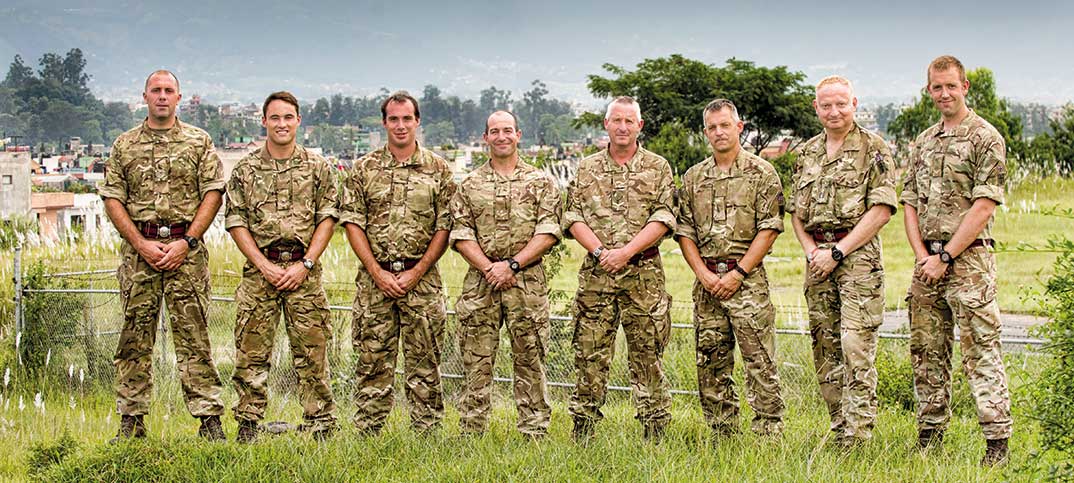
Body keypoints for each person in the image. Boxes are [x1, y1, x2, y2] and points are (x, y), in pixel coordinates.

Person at [99, 70, 226, 442]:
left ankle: (209, 420)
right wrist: (140, 243)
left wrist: (187, 241)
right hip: (141, 254)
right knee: (134, 338)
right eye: (155, 90)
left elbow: (213, 194)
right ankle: (131, 420)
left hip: (186, 252)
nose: (162, 96)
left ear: (179, 97)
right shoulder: (124, 146)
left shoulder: (198, 142)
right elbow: (112, 198)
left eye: (168, 90)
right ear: (144, 96)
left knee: (195, 336)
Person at [901, 55, 1012, 466]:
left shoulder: (986, 137)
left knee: (980, 350)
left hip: (968, 262)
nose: (944, 93)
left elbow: (983, 205)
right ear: (928, 90)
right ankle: (929, 436)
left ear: (965, 87)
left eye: (951, 85)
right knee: (927, 351)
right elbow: (909, 202)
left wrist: (946, 255)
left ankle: (996, 442)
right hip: (926, 262)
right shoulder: (924, 141)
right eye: (936, 87)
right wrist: (922, 257)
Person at [788, 76, 897, 446]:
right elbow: (796, 215)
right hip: (816, 260)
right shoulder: (806, 153)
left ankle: (859, 435)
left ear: (854, 103)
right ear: (815, 108)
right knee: (824, 345)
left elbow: (881, 209)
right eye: (826, 105)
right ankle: (839, 428)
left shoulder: (873, 148)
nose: (834, 111)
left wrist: (838, 252)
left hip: (857, 259)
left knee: (855, 344)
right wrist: (811, 252)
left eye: (841, 104)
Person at [225, 91, 339, 443]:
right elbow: (235, 220)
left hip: (303, 272)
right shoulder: (245, 169)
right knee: (251, 350)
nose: (282, 124)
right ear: (263, 121)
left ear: (298, 121)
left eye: (288, 117)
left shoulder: (317, 168)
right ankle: (248, 423)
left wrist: (306, 263)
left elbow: (328, 218)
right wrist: (262, 264)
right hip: (261, 272)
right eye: (275, 117)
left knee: (312, 351)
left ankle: (320, 423)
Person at [340, 91, 456, 433]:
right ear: (384, 122)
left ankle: (426, 436)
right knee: (372, 361)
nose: (401, 126)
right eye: (394, 119)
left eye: (407, 119)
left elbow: (445, 226)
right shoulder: (364, 169)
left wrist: (417, 271)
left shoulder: (439, 170)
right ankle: (368, 434)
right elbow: (352, 223)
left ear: (418, 122)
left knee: (425, 363)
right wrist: (377, 272)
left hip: (422, 282)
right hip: (376, 282)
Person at [562, 96, 676, 442]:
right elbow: (572, 215)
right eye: (616, 120)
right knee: (589, 355)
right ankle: (584, 433)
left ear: (640, 126)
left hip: (643, 276)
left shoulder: (658, 168)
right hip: (597, 276)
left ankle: (655, 434)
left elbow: (664, 216)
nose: (622, 127)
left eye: (629, 121)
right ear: (605, 125)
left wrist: (626, 252)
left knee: (648, 355)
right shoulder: (587, 168)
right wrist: (601, 251)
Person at [677, 99, 786, 438]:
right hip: (708, 284)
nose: (719, 132)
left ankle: (769, 433)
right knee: (710, 362)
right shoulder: (694, 177)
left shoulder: (761, 173)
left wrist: (738, 273)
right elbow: (684, 232)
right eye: (712, 127)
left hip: (747, 283)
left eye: (725, 125)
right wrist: (704, 275)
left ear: (739, 127)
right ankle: (722, 434)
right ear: (705, 132)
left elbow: (769, 228)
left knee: (760, 363)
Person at [450, 111, 561, 438]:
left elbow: (549, 231)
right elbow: (460, 233)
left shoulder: (541, 182)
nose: (501, 136)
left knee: (530, 360)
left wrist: (511, 265)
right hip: (480, 283)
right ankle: (472, 435)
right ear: (485, 137)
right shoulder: (469, 184)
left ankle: (534, 433)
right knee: (476, 363)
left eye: (507, 130)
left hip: (526, 283)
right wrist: (490, 267)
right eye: (494, 131)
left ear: (518, 135)